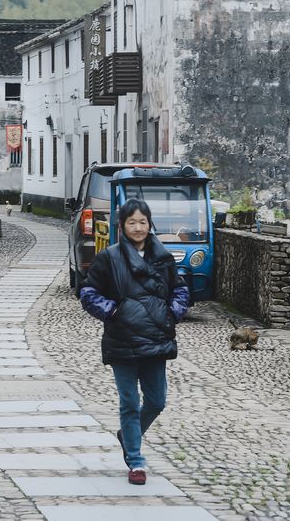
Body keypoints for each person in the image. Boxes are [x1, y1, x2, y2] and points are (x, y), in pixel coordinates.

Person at [80, 197, 190, 485]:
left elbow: (179, 290)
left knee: (156, 401)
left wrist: (173, 312)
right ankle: (136, 461)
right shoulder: (109, 258)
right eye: (132, 222)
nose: (138, 227)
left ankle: (128, 436)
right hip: (122, 339)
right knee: (129, 401)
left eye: (143, 222)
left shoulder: (163, 257)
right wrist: (113, 311)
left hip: (155, 337)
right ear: (122, 226)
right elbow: (88, 293)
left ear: (149, 223)